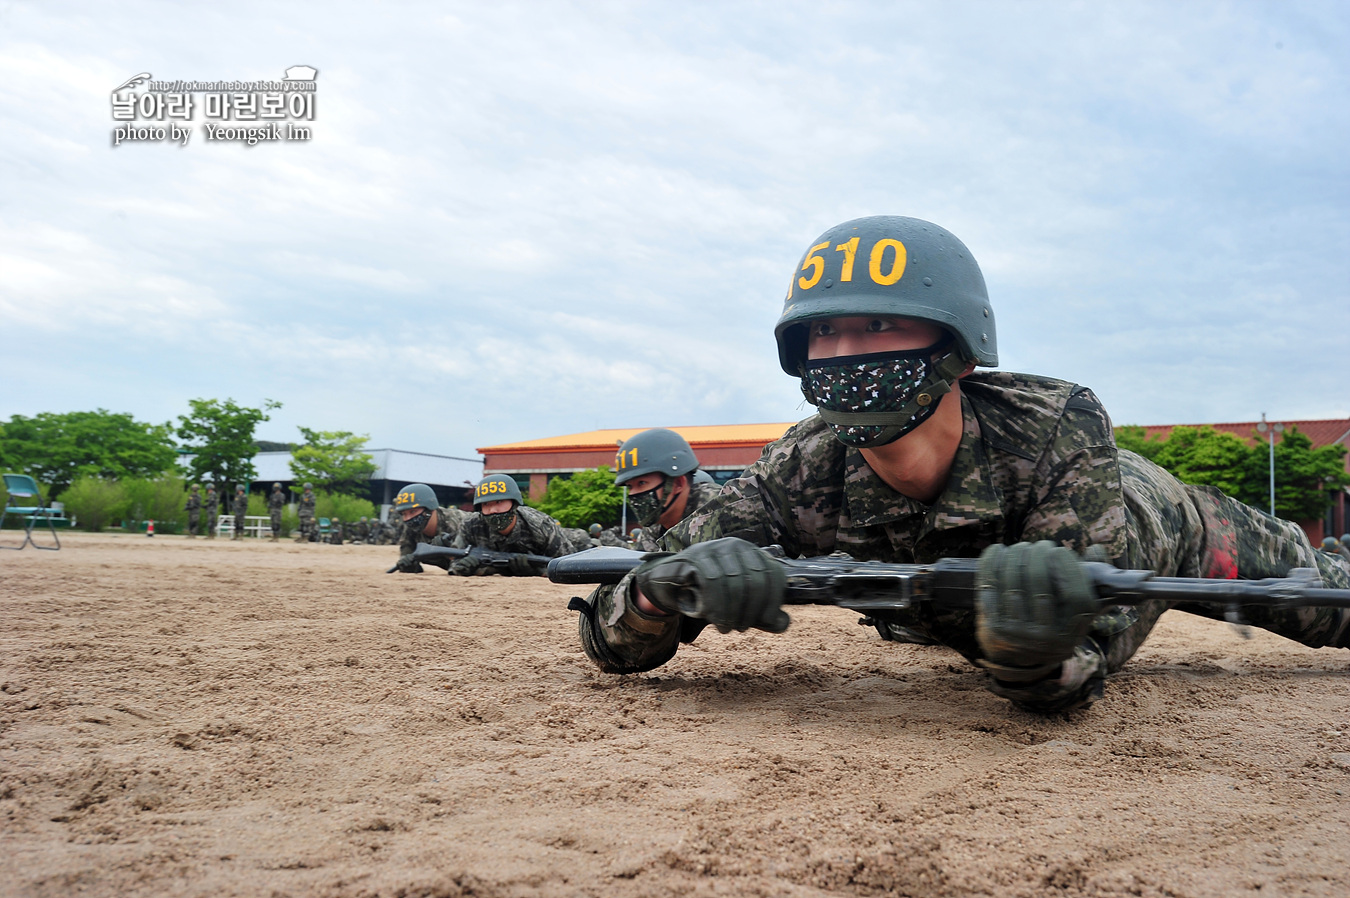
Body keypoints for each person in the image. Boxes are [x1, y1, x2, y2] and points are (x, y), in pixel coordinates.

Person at [577, 215, 1350, 712]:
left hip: (1165, 523)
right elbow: (614, 631)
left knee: (1326, 600)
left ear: (957, 351)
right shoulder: (800, 467)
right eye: (823, 334)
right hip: (962, 596)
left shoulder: (1056, 428)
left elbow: (1082, 661)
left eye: (878, 324)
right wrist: (657, 597)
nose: (846, 355)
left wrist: (1032, 650)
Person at [450, 474, 574, 576]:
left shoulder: (540, 525)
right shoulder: (470, 526)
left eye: (499, 502)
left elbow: (570, 566)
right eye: (486, 504)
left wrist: (536, 572)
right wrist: (468, 567)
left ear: (514, 504)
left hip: (574, 539)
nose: (493, 510)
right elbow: (454, 564)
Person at [391, 482, 465, 572]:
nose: (408, 518)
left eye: (413, 511)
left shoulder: (457, 523)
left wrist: (449, 550)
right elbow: (407, 556)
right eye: (404, 514)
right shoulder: (410, 530)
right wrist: (409, 566)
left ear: (430, 508)